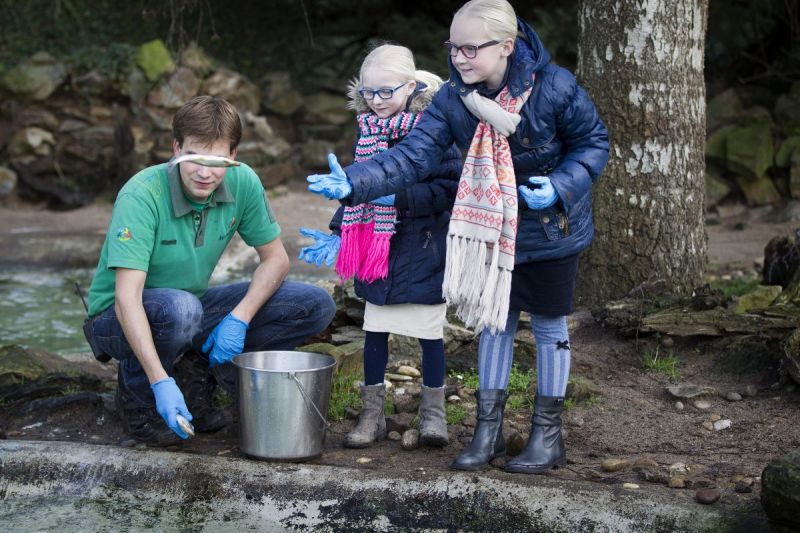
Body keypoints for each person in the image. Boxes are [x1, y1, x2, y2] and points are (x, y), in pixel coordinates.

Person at [307, 0, 609, 473]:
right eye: (454, 47)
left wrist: (559, 187)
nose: (460, 57)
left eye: (472, 48)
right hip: (487, 230)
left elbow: (593, 142)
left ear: (507, 46)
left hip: (548, 228)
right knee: (495, 324)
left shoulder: (554, 87)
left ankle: (547, 437)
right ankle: (486, 433)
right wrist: (355, 183)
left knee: (549, 326)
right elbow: (413, 157)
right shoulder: (451, 99)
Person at [85, 95, 336, 446]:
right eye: (195, 157)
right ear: (176, 149)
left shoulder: (243, 182)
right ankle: (140, 401)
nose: (205, 172)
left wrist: (240, 318)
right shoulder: (141, 194)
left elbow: (276, 259)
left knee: (313, 303)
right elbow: (127, 299)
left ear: (233, 155)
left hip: (189, 306)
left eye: (217, 159)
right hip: (115, 318)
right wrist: (160, 382)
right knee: (180, 310)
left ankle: (197, 375)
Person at [300, 44, 462, 449]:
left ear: (410, 86)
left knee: (429, 335)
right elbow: (356, 187)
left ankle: (433, 416)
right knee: (374, 331)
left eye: (386, 92)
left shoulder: (436, 128)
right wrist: (339, 232)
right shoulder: (368, 129)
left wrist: (400, 199)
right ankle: (372, 414)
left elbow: (448, 189)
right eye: (368, 93)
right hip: (378, 250)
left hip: (425, 248)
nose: (376, 102)